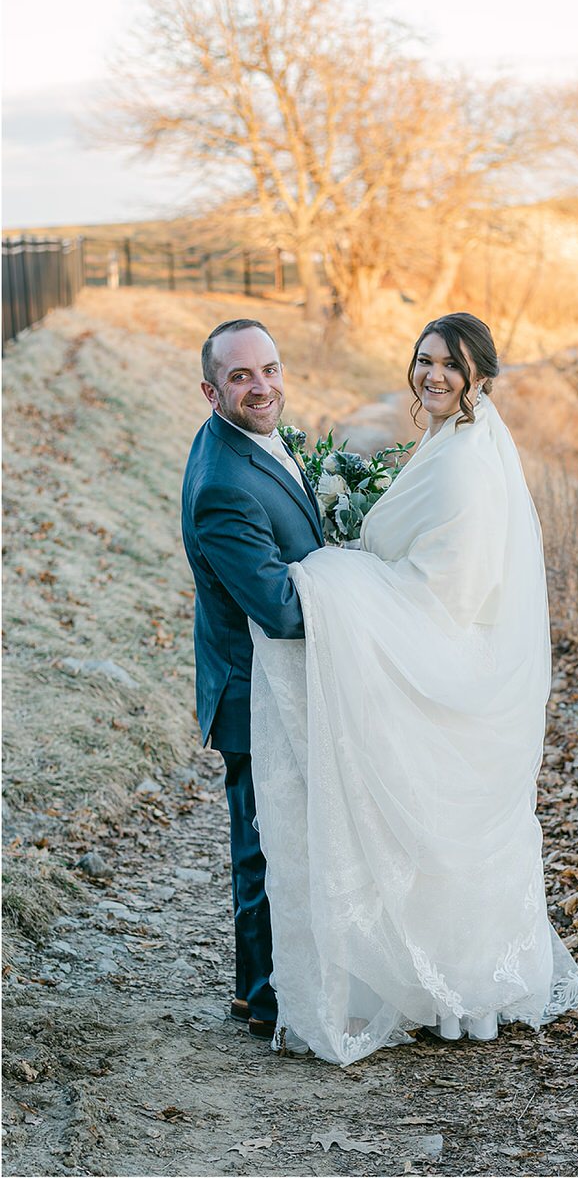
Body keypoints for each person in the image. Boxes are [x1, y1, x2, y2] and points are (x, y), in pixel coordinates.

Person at [249, 312, 578, 1065]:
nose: (433, 375)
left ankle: (460, 991)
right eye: (425, 360)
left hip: (449, 662)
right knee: (432, 828)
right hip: (438, 653)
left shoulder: (469, 460)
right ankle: (444, 990)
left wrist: (343, 578)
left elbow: (451, 587)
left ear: (480, 379)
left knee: (443, 829)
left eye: (451, 366)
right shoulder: (455, 439)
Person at [181, 318, 323, 1038]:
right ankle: (264, 995)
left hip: (268, 682)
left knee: (276, 838)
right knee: (262, 847)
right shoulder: (223, 486)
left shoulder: (245, 440)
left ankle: (264, 984)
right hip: (253, 690)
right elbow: (279, 607)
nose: (261, 386)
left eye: (268, 368)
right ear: (212, 391)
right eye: (240, 377)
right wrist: (364, 587)